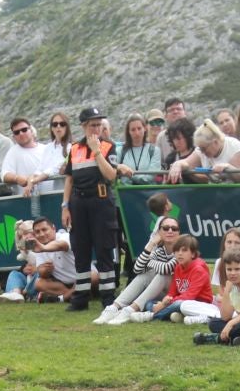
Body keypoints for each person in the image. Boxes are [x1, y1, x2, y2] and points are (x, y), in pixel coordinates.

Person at [63, 108, 120, 311]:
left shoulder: (108, 146)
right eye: (93, 124)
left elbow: (111, 175)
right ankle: (81, 297)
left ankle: (107, 297)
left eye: (99, 124)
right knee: (80, 249)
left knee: (105, 248)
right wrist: (65, 206)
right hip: (79, 202)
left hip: (101, 200)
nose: (97, 128)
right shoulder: (75, 148)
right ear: (84, 126)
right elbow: (69, 179)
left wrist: (96, 151)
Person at [97, 209, 179, 324]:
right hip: (162, 294)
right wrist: (151, 244)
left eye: (174, 229)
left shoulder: (182, 249)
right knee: (145, 274)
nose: (170, 231)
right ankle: (114, 307)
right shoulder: (159, 250)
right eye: (166, 228)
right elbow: (137, 269)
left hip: (177, 294)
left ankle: (130, 309)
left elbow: (167, 269)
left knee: (162, 275)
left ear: (178, 233)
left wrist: (149, 262)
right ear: (159, 232)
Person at [139, 233, 209, 321]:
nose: (179, 254)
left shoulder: (199, 270)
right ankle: (175, 315)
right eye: (176, 250)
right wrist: (166, 299)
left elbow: (189, 296)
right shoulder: (178, 267)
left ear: (193, 254)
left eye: (184, 250)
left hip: (198, 304)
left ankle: (152, 316)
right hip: (181, 301)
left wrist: (164, 304)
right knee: (149, 303)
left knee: (179, 304)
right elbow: (172, 291)